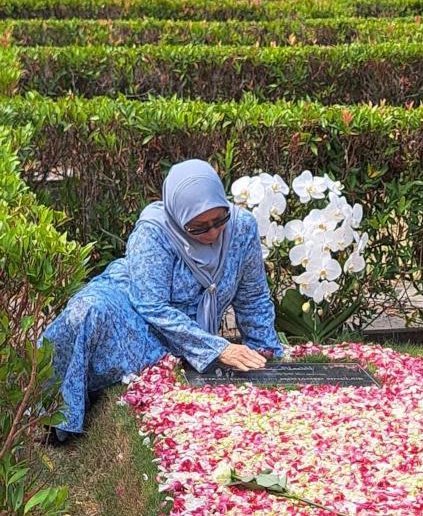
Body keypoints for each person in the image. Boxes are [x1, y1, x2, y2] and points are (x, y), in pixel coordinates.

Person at [42, 159, 282, 438]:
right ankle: (54, 414)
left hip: (181, 327)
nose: (214, 233)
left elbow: (252, 296)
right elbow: (150, 305)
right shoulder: (154, 232)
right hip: (132, 307)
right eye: (199, 228)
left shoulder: (241, 229)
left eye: (219, 221)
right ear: (179, 218)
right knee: (86, 312)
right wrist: (218, 348)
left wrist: (267, 355)